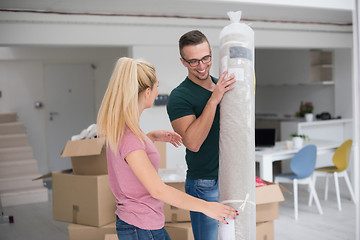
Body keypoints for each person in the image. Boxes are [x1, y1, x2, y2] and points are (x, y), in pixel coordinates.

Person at [97, 57, 238, 240]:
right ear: (147, 92)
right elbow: (159, 190)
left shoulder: (122, 130)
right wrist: (207, 207)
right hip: (142, 226)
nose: (157, 92)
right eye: (156, 87)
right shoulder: (130, 137)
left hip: (137, 223)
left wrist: (151, 138)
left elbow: (127, 160)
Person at [166, 30, 236, 240]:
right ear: (183, 62)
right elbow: (192, 143)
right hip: (205, 184)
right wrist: (214, 100)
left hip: (231, 178)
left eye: (205, 58)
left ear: (211, 53)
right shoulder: (179, 96)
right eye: (194, 61)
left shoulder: (222, 84)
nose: (202, 65)